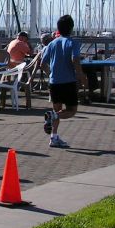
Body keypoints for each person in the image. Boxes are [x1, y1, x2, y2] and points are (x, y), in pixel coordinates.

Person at [41, 15, 87, 148]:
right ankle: (52, 116)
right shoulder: (73, 43)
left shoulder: (52, 43)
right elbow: (75, 60)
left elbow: (42, 64)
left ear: (58, 29)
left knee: (58, 108)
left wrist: (51, 75)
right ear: (71, 28)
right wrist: (81, 76)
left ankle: (54, 137)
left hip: (54, 82)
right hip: (68, 81)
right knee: (71, 110)